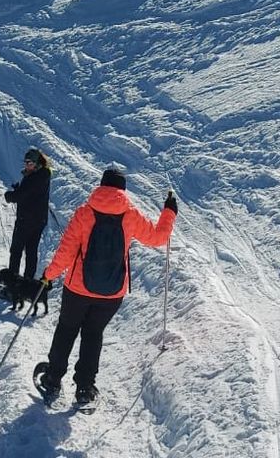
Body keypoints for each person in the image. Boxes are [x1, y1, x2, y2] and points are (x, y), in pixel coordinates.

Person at [37, 165, 177, 406]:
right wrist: (169, 212)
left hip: (78, 290)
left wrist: (48, 276)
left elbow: (66, 252)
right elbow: (157, 238)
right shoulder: (130, 215)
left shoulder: (84, 212)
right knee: (93, 334)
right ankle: (84, 388)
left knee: (67, 329)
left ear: (101, 186)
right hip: (111, 293)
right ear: (122, 190)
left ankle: (52, 378)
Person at [4, 148, 51, 280]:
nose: (27, 165)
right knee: (31, 250)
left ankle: (12, 283)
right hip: (39, 220)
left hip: (26, 220)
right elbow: (30, 193)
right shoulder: (43, 174)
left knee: (16, 250)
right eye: (25, 162)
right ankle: (28, 282)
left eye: (30, 163)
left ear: (37, 163)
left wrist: (10, 195)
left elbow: (24, 195)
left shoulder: (34, 177)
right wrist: (20, 190)